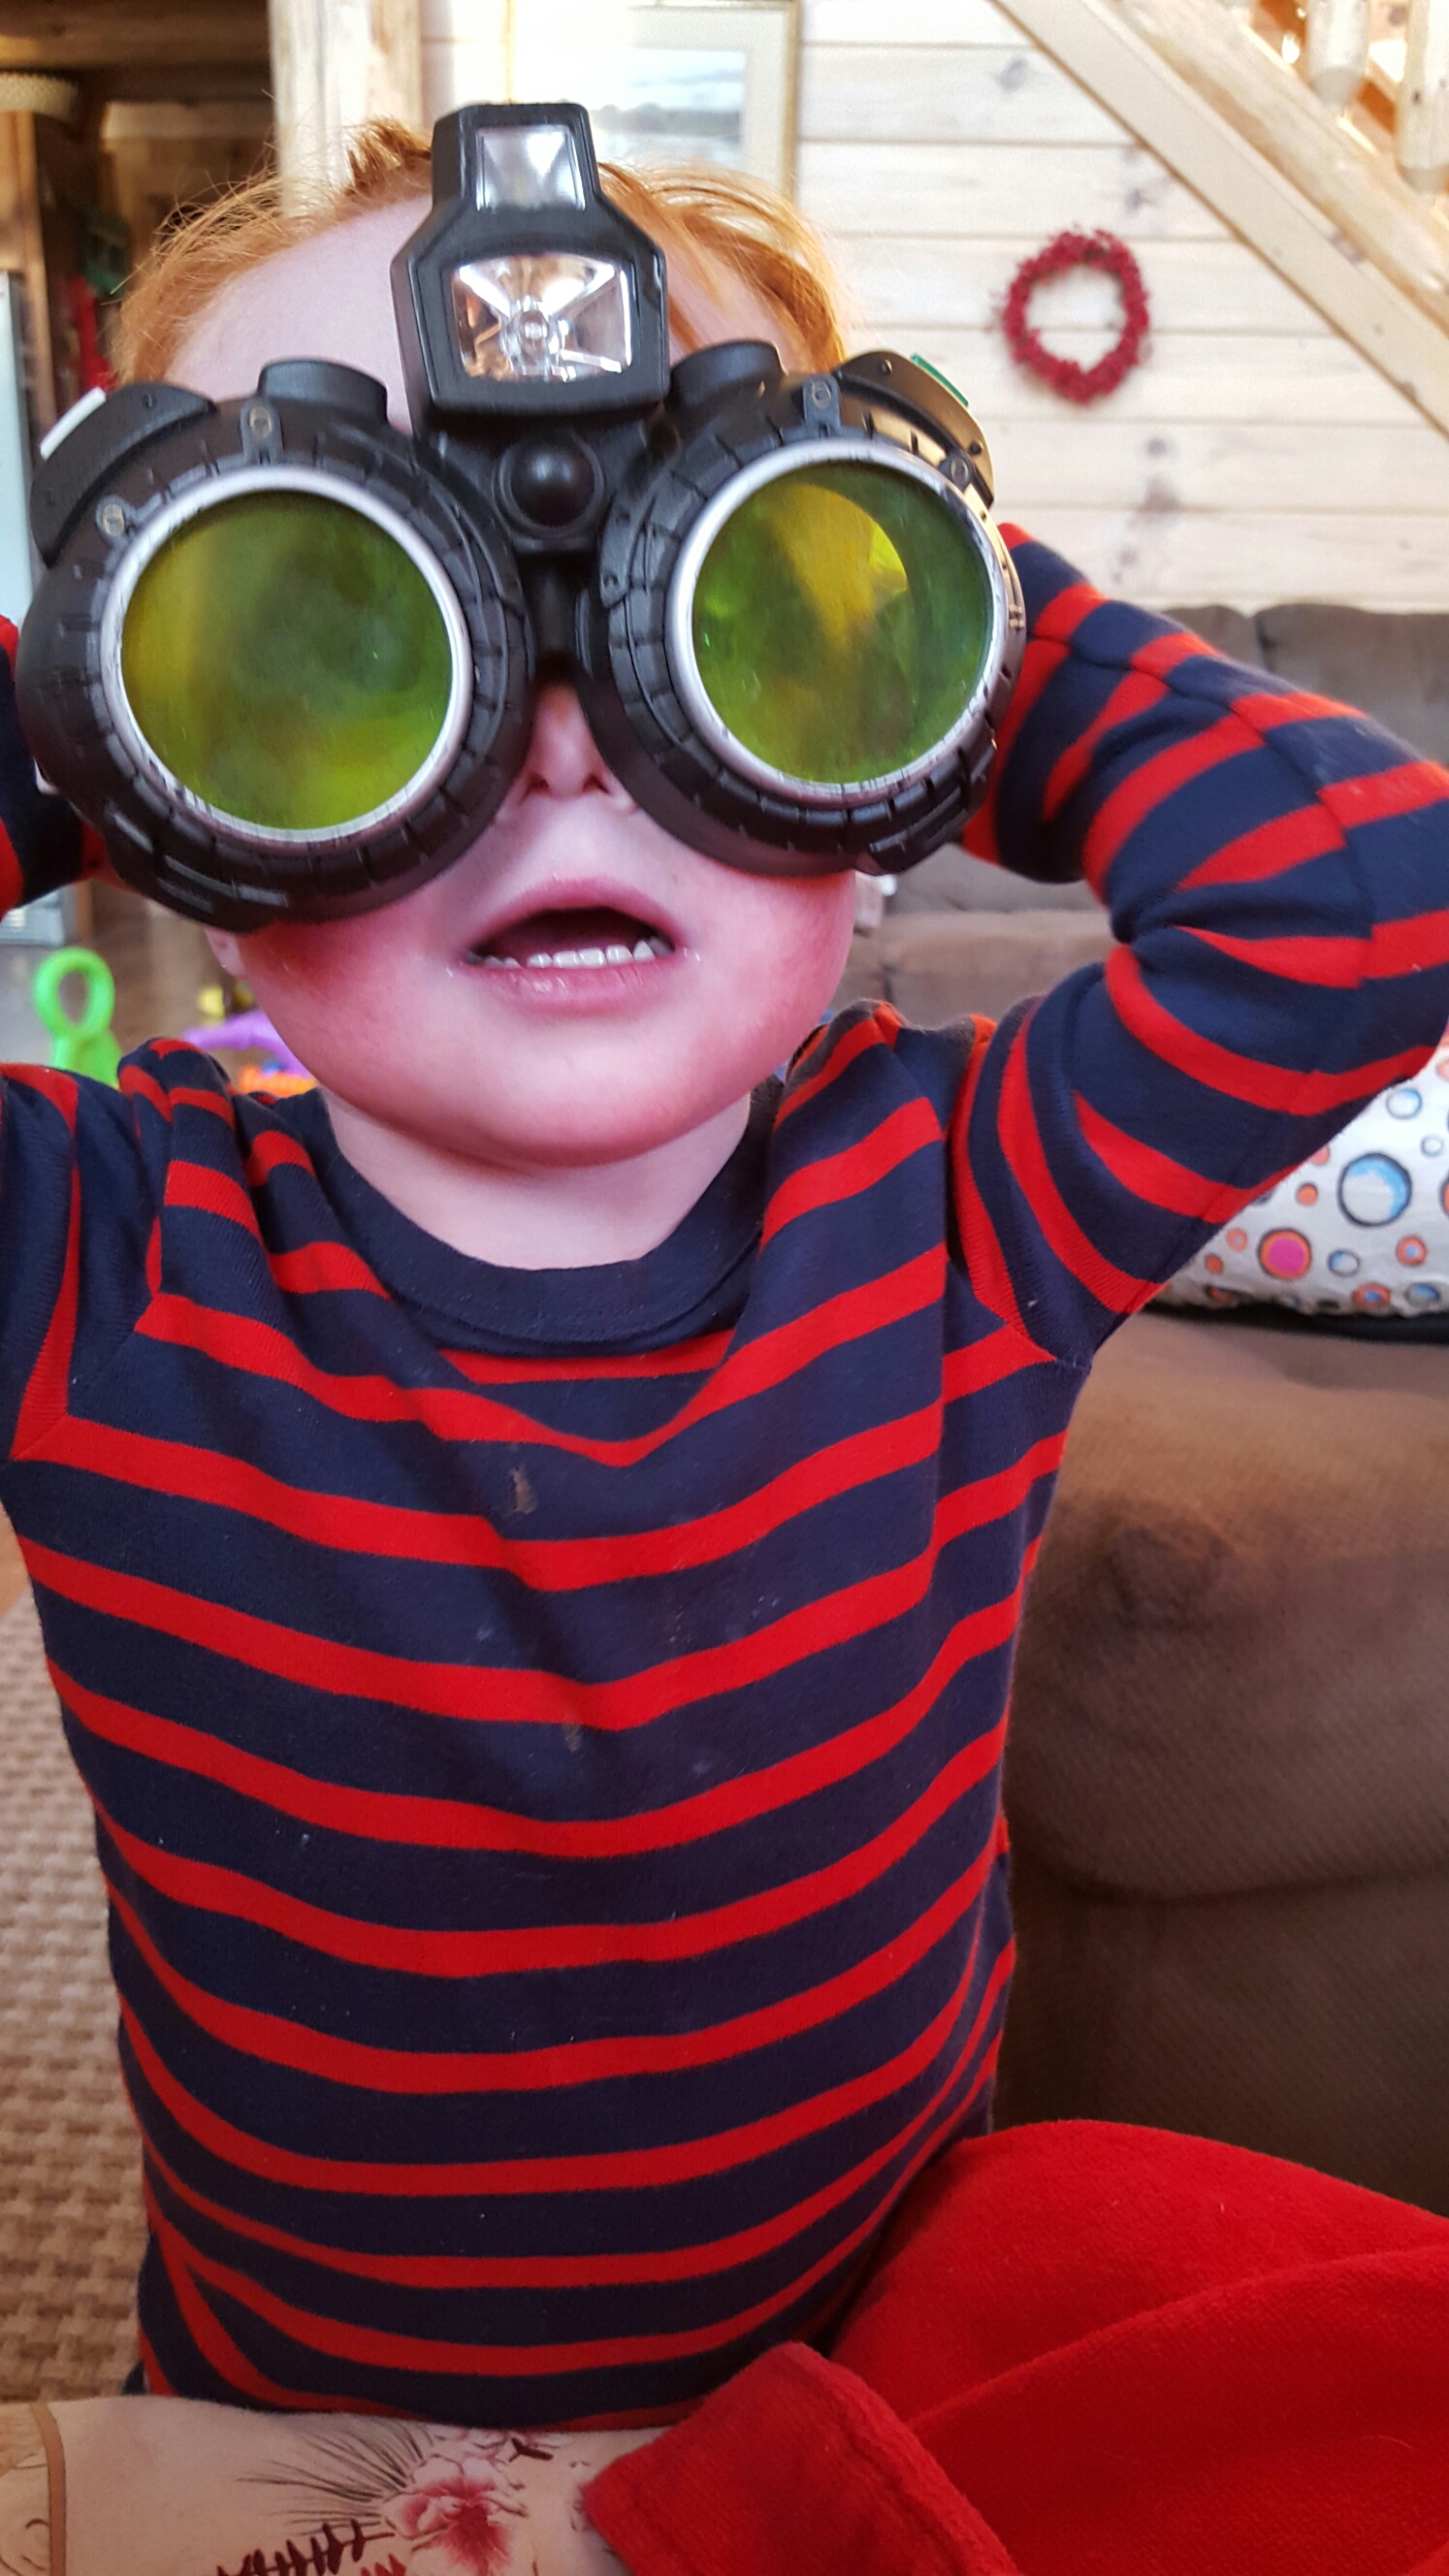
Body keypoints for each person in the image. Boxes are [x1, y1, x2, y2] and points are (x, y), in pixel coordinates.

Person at [0, 119, 1447, 2576]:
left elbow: (1371, 896)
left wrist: (920, 582)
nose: (560, 737)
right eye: (328, 628)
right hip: (292, 2431)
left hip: (861, 2401)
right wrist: (90, 705)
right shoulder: (94, 1259)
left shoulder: (967, 1195)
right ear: (189, 846)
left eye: (712, 616)